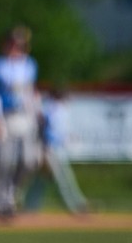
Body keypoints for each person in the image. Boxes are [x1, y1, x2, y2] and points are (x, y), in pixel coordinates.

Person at [0, 26, 42, 221]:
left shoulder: (30, 65)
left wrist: (37, 114)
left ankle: (13, 194)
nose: (17, 48)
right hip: (5, 116)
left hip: (25, 116)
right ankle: (2, 203)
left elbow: (31, 92)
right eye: (14, 44)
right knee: (4, 162)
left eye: (21, 44)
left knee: (29, 160)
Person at [23, 87, 89, 216]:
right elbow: (50, 131)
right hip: (51, 149)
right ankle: (76, 205)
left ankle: (29, 206)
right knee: (63, 179)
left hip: (51, 148)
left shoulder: (55, 109)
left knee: (41, 180)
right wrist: (63, 139)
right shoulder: (54, 110)